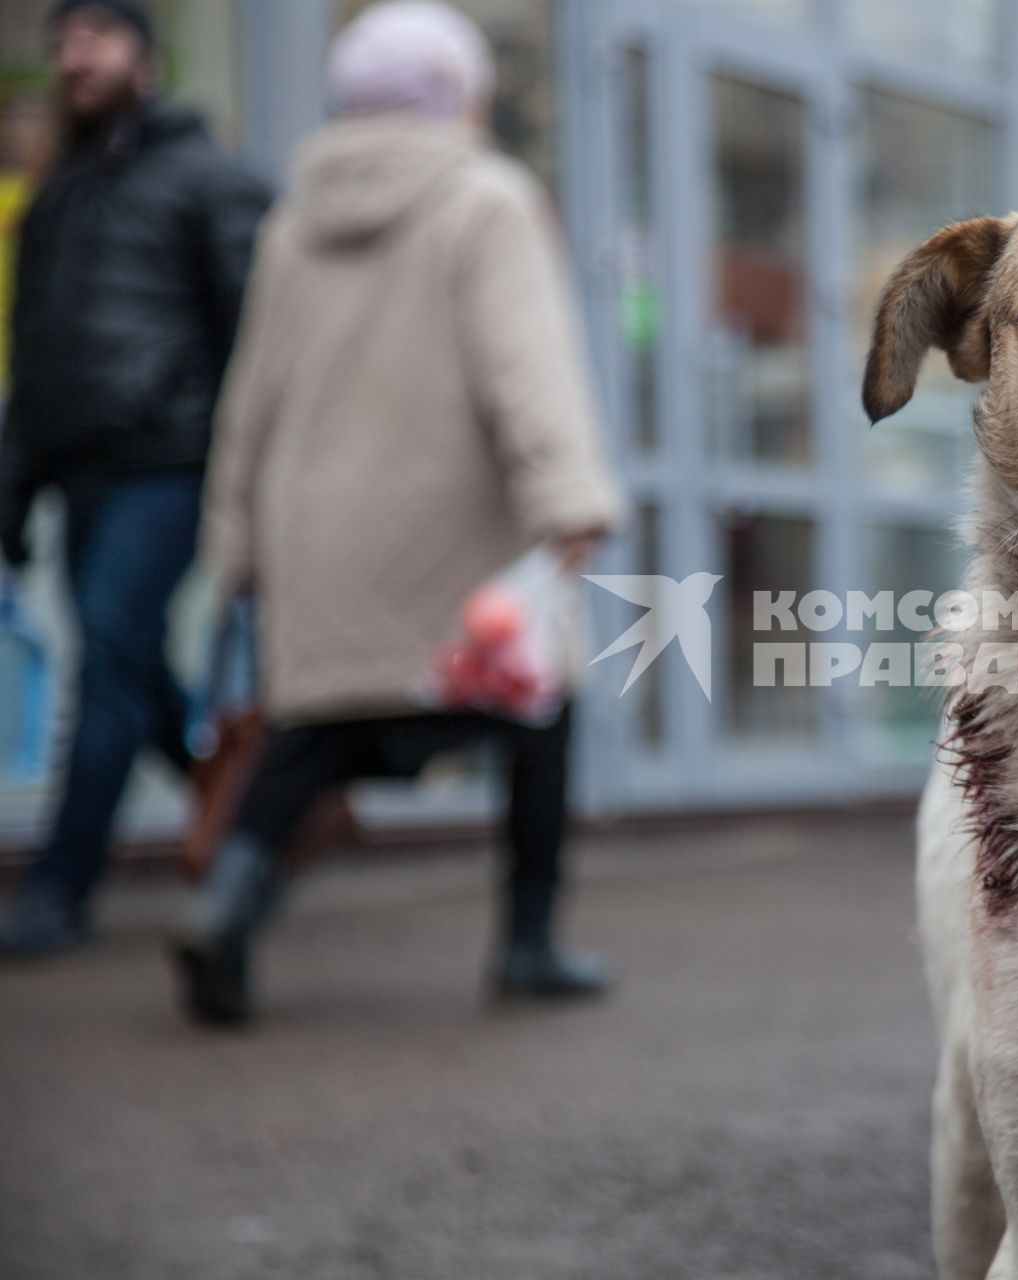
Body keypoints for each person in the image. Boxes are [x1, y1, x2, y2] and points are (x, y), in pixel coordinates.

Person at [171, 0, 621, 1026]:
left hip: (316, 525)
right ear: (458, 93)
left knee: (314, 732)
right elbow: (528, 369)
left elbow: (251, 399)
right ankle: (527, 942)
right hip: (452, 524)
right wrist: (570, 497)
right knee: (538, 711)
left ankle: (225, 905)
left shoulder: (293, 222)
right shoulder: (486, 198)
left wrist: (234, 543)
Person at [0, 0, 270, 957]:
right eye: (62, 40)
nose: (75, 56)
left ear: (145, 59)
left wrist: (252, 475)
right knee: (135, 671)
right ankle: (247, 825)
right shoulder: (57, 198)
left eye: (96, 37)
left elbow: (257, 338)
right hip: (80, 472)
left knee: (107, 662)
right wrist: (16, 483)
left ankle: (59, 891)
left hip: (170, 461)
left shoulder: (205, 178)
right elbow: (35, 359)